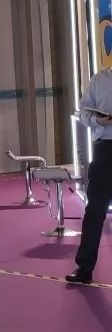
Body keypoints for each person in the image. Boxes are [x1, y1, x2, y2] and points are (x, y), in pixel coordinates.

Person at [68, 69, 112, 284]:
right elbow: (84, 113)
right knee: (95, 209)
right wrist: (99, 121)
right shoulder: (99, 80)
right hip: (104, 150)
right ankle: (84, 268)